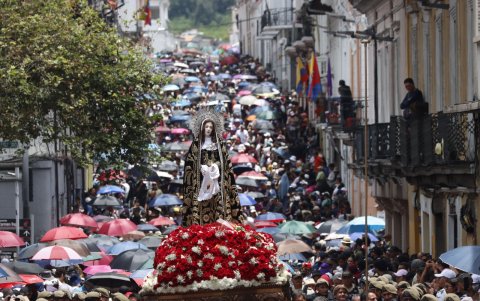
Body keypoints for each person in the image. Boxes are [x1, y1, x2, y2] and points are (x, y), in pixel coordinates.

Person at [182, 108, 245, 226]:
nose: (208, 129)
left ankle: (220, 226)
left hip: (217, 180)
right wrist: (201, 168)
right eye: (206, 127)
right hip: (201, 181)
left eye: (211, 127)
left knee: (218, 202)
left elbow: (226, 163)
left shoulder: (219, 144)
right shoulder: (196, 144)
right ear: (202, 127)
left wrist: (216, 166)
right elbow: (190, 164)